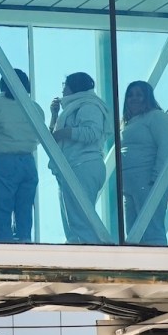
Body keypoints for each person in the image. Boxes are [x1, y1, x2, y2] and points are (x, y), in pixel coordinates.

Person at [0, 69, 44, 243]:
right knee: (24, 209)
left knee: (1, 208)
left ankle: (2, 246)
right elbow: (39, 136)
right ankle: (24, 242)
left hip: (4, 161)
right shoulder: (35, 108)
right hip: (29, 162)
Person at [49, 72, 111, 244]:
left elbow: (92, 132)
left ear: (73, 87)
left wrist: (64, 132)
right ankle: (78, 252)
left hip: (83, 164)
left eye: (65, 86)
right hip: (72, 166)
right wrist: (54, 116)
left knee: (80, 220)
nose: (63, 91)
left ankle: (90, 254)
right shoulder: (73, 108)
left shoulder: (88, 106)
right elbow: (52, 140)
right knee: (73, 222)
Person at [120, 81, 168, 245]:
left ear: (147, 97)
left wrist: (157, 178)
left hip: (148, 181)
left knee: (152, 230)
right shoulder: (127, 123)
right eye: (130, 95)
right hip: (129, 186)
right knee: (133, 233)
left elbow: (165, 146)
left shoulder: (156, 116)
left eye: (139, 94)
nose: (134, 98)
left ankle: (161, 267)